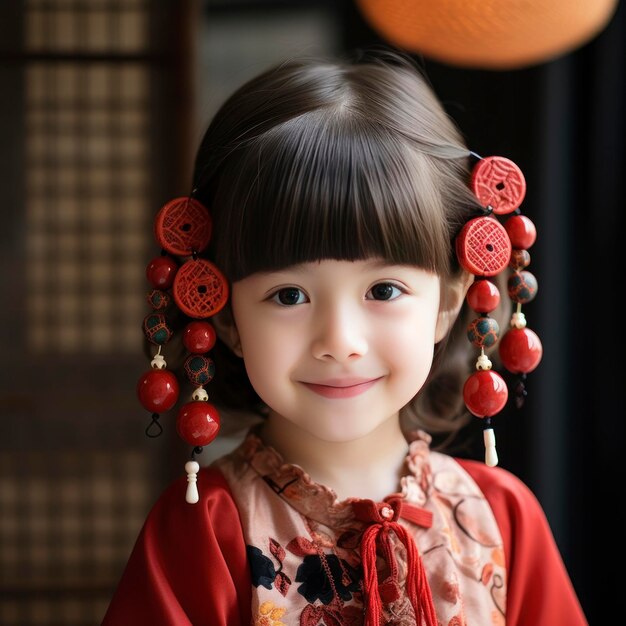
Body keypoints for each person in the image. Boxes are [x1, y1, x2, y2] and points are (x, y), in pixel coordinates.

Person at [102, 49, 587, 625]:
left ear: (448, 302)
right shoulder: (205, 530)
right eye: (289, 296)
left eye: (383, 290)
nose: (340, 341)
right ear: (225, 314)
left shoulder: (503, 517)